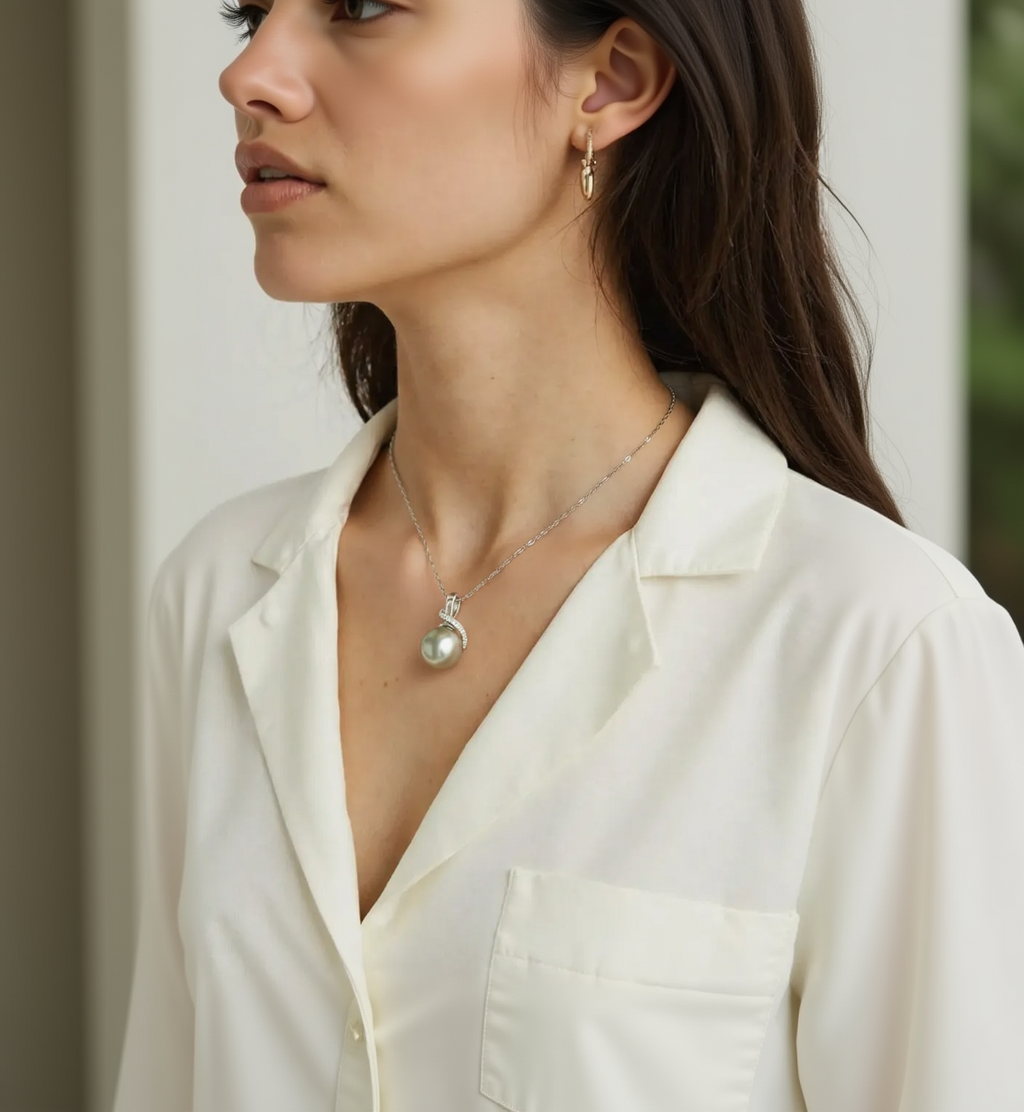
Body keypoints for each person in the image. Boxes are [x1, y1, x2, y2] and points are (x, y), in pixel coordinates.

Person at [111, 0, 1024, 1109]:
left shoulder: (878, 648)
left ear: (610, 81)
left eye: (361, 6)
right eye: (254, 13)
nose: (250, 72)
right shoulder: (218, 594)